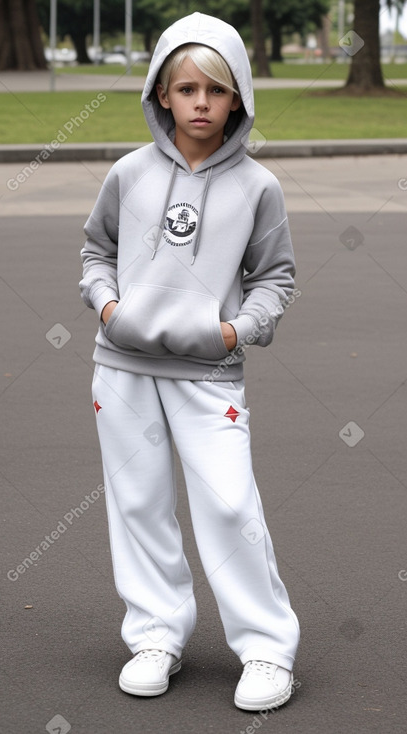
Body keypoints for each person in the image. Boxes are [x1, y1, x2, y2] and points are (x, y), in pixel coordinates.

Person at [79, 12, 300, 711]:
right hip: (122, 369)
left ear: (237, 98)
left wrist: (236, 331)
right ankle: (155, 635)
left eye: (214, 88)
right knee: (138, 503)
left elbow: (275, 278)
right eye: (184, 88)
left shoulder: (258, 187)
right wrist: (110, 309)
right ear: (160, 96)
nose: (199, 102)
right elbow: (95, 253)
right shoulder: (128, 173)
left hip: (209, 374)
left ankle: (266, 651)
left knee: (230, 504)